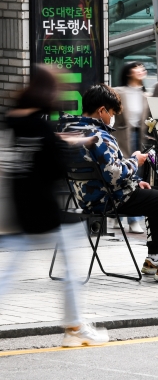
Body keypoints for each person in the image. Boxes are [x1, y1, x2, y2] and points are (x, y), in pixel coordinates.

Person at [0, 65, 109, 347]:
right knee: (73, 254)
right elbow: (55, 168)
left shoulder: (13, 120)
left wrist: (60, 142)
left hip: (19, 206)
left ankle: (75, 326)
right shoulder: (40, 125)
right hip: (43, 210)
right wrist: (65, 145)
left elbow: (33, 152)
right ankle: (74, 327)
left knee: (11, 271)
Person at [66, 84, 158, 284]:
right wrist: (135, 161)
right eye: (111, 112)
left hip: (86, 199)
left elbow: (103, 173)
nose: (112, 117)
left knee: (154, 195)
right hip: (111, 200)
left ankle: (154, 259)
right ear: (102, 110)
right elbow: (113, 173)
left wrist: (135, 182)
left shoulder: (71, 130)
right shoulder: (99, 137)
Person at [112, 62, 151, 234]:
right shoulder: (119, 91)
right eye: (137, 67)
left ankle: (124, 215)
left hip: (140, 137)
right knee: (124, 173)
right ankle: (131, 219)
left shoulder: (146, 95)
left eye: (143, 68)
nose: (141, 70)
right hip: (121, 137)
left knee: (137, 175)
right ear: (128, 72)